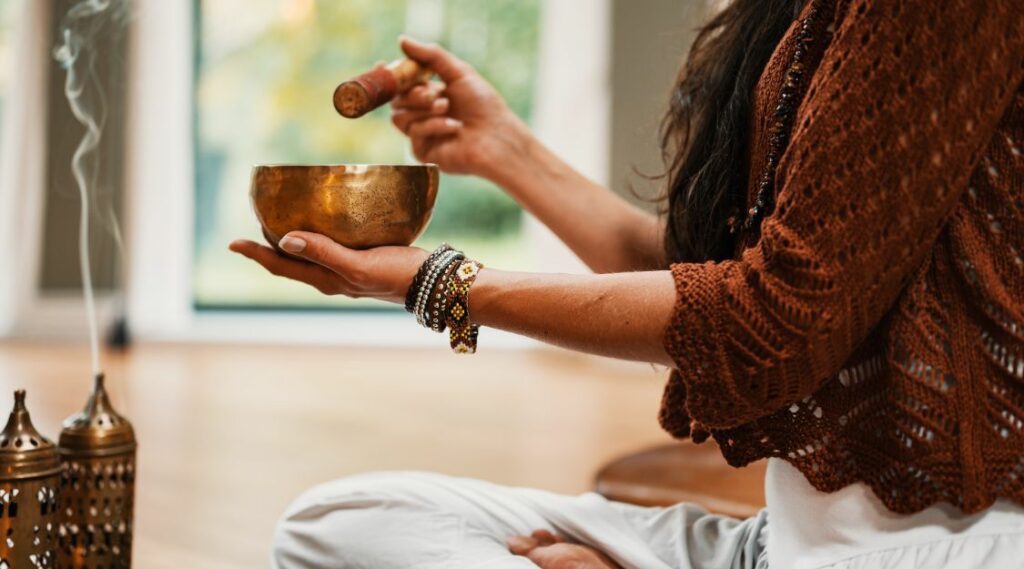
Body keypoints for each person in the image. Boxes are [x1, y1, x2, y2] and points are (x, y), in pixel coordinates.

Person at [230, 0, 1024, 567]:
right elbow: (708, 285)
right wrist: (505, 149)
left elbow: (772, 317)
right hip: (775, 545)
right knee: (339, 523)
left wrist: (442, 283)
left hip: (935, 551)